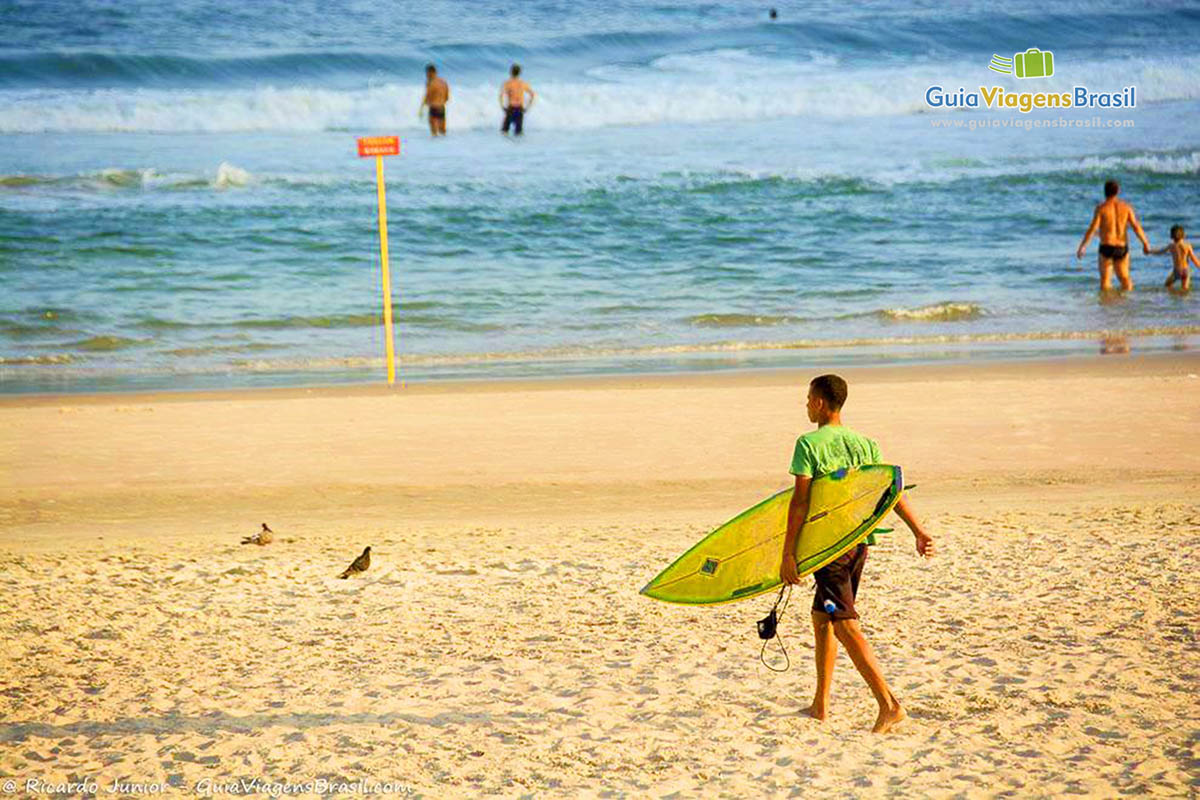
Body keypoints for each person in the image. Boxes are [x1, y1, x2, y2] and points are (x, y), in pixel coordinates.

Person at [779, 374, 936, 734]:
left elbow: (800, 503)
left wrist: (789, 554)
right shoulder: (866, 444)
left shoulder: (808, 444)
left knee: (845, 624)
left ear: (819, 403)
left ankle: (889, 704)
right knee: (822, 617)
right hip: (859, 543)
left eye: (807, 399)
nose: (805, 405)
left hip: (830, 549)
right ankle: (821, 704)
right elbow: (887, 494)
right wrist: (918, 530)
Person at [1076, 179, 1151, 291]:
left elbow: (1093, 229)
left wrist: (1083, 246)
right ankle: (1127, 303)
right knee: (1125, 278)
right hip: (1121, 247)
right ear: (1118, 191)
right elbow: (1136, 226)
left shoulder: (1101, 208)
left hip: (1106, 247)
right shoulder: (1126, 207)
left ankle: (1107, 307)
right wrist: (1145, 243)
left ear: (1105, 192)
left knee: (1105, 281)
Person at [1149, 225, 1197, 291]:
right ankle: (1183, 299)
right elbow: (1194, 259)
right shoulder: (1187, 246)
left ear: (1171, 236)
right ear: (1183, 235)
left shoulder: (1171, 246)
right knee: (1185, 289)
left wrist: (1150, 251)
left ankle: (1173, 296)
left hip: (1177, 271)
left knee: (1167, 285)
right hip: (1186, 271)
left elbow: (1160, 252)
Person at [499, 63, 535, 135]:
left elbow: (501, 95)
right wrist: (527, 107)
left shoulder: (507, 83)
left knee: (504, 132)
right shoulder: (523, 83)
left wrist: (502, 107)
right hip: (519, 109)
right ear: (520, 73)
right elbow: (532, 95)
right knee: (518, 133)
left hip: (511, 109)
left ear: (511, 72)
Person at [419, 64, 449, 136]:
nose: (426, 75)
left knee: (434, 134)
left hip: (433, 108)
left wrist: (422, 108)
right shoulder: (443, 82)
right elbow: (447, 97)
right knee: (443, 132)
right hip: (442, 108)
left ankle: (434, 146)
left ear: (430, 72)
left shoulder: (430, 82)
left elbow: (427, 96)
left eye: (427, 73)